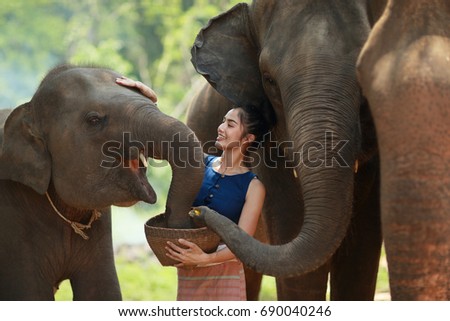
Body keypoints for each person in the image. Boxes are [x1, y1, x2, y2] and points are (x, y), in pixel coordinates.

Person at [116, 77, 274, 301]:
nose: (220, 128)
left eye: (230, 125)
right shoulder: (199, 163)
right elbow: (168, 137)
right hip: (189, 271)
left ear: (248, 138)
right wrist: (148, 100)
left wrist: (204, 259)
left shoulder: (253, 186)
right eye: (223, 121)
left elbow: (243, 244)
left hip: (225, 276)